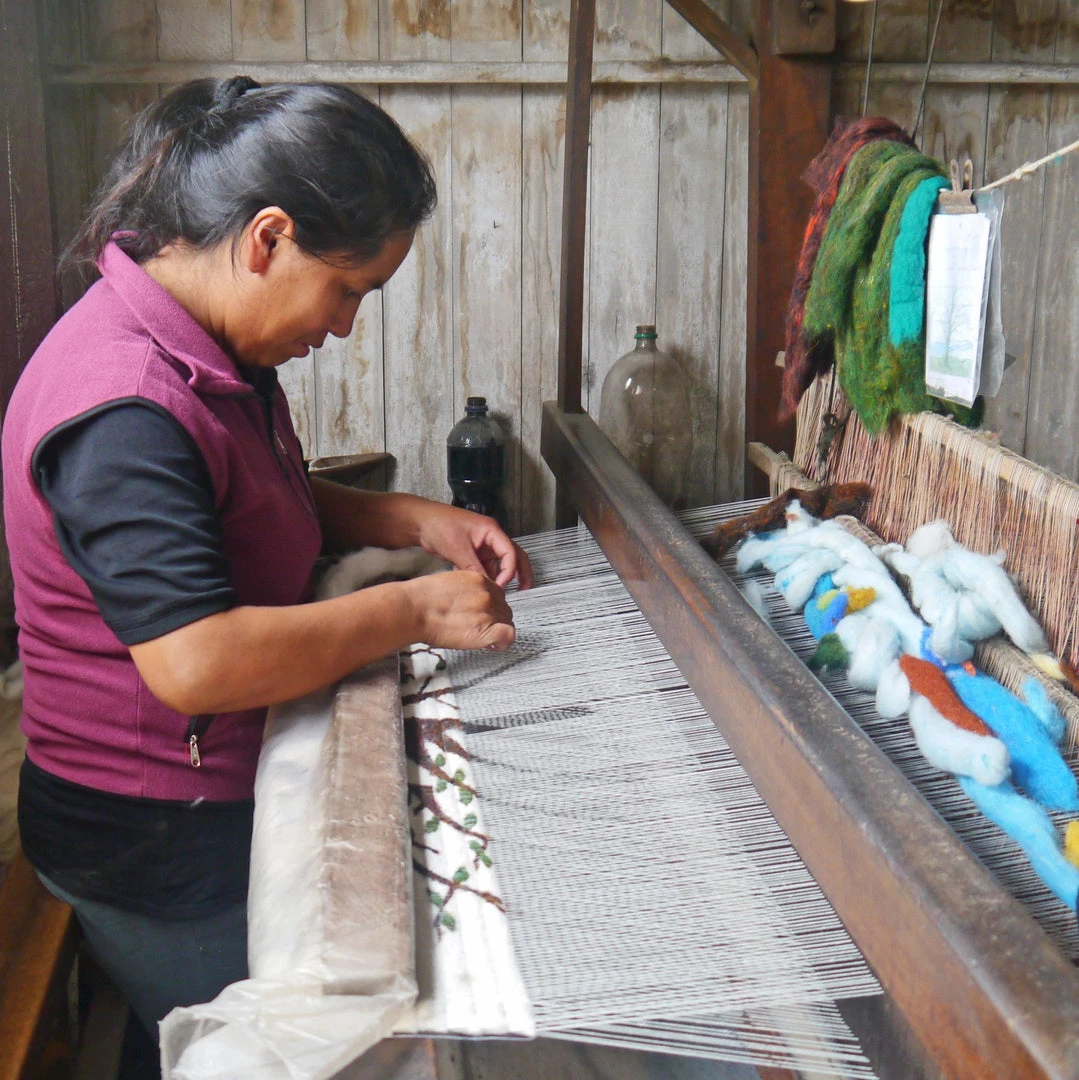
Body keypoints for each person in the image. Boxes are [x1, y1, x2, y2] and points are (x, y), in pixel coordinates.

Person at [1, 75, 532, 1071]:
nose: (343, 327)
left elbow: (246, 496)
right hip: (153, 834)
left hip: (186, 795)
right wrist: (409, 607)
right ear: (268, 238)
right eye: (349, 290)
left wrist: (411, 518)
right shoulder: (122, 407)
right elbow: (196, 664)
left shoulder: (204, 348)